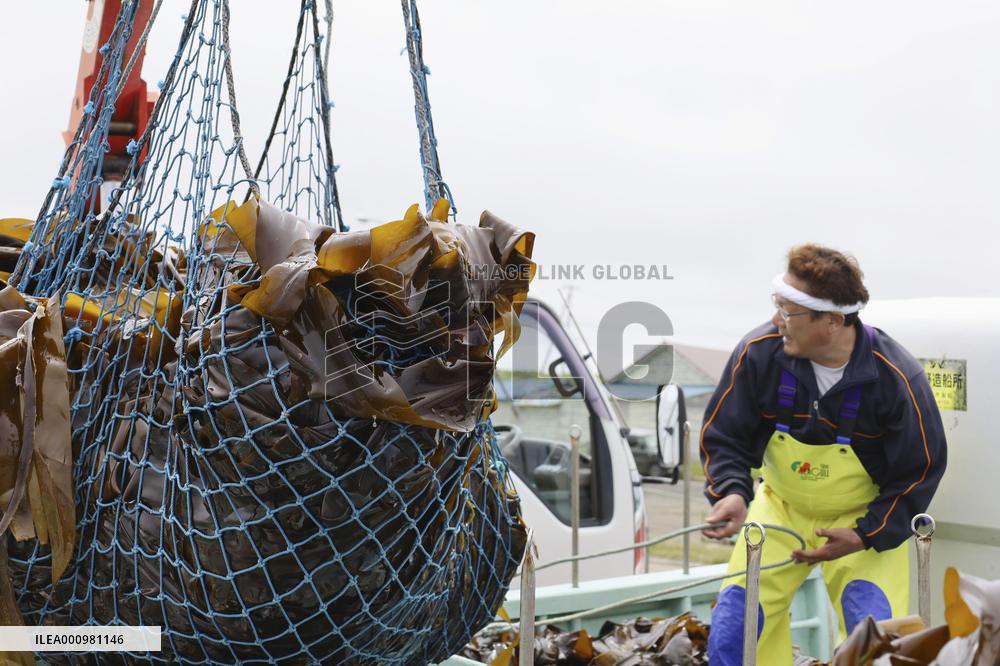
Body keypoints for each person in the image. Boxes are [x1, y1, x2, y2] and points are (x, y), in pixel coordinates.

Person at [700, 244, 947, 666]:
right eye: (777, 306)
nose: (778, 322)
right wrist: (732, 492)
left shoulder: (897, 378)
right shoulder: (758, 353)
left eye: (789, 313)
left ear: (832, 322)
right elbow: (724, 436)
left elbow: (918, 471)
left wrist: (867, 534)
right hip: (779, 511)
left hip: (862, 523)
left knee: (874, 646)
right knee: (732, 634)